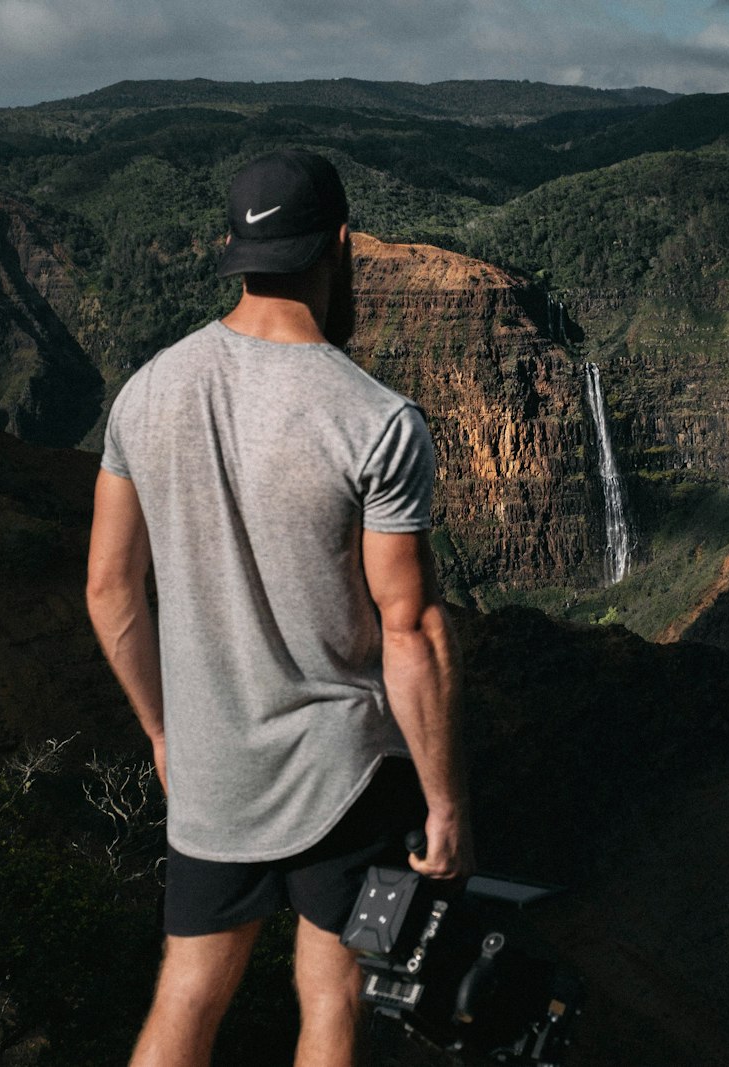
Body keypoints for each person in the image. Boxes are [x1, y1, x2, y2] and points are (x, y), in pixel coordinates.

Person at [85, 149, 473, 1067]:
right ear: (341, 243)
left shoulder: (146, 393)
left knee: (186, 996)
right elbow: (410, 628)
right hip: (346, 776)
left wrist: (164, 731)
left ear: (234, 250)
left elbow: (109, 590)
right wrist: (447, 799)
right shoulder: (375, 419)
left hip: (214, 769)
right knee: (335, 995)